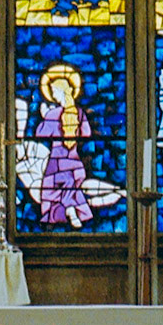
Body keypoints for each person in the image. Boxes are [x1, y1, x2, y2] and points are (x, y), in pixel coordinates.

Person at [36, 63, 92, 228]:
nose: (52, 95)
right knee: (72, 189)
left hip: (56, 166)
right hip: (75, 164)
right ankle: (71, 209)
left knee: (48, 196)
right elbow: (86, 133)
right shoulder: (79, 113)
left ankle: (68, 209)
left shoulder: (53, 114)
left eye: (53, 92)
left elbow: (41, 134)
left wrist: (44, 115)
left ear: (59, 93)